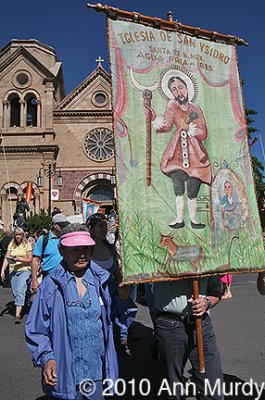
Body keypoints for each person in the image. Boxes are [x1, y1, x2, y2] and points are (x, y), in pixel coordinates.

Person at [25, 223, 131, 399]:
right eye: (74, 249)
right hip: (65, 372)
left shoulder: (104, 281)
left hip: (97, 372)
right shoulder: (51, 285)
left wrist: (124, 299)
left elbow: (119, 321)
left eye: (85, 248)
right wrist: (47, 358)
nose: (81, 254)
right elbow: (36, 330)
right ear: (62, 251)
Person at [146, 72, 211, 229]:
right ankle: (179, 218)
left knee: (194, 186)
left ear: (187, 88)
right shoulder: (172, 106)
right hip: (176, 153)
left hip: (195, 154)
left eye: (180, 87)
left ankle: (194, 219)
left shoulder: (195, 108)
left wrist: (194, 130)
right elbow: (167, 125)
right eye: (174, 89)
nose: (178, 92)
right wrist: (153, 119)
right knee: (178, 184)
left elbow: (204, 132)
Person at [153, 276, 224, 399]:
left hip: (203, 326)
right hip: (170, 325)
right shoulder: (159, 258)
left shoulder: (208, 258)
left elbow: (216, 291)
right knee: (172, 389)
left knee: (213, 391)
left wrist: (206, 302)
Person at [86, 213, 137, 353]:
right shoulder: (86, 250)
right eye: (100, 226)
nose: (104, 229)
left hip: (110, 293)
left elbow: (116, 272)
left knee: (109, 326)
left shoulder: (110, 248)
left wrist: (123, 288)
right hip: (91, 295)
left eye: (105, 225)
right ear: (91, 229)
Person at [31, 213, 70, 297]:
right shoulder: (43, 239)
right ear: (55, 225)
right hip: (49, 278)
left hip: (66, 276)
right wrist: (34, 280)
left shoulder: (67, 238)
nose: (65, 228)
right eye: (63, 226)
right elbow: (35, 259)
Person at [1, 227, 32, 323]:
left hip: (24, 270)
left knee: (20, 290)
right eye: (16, 235)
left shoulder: (27, 244)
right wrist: (2, 270)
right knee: (15, 292)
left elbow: (30, 259)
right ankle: (23, 303)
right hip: (13, 270)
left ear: (23, 236)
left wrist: (20, 259)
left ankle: (17, 314)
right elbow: (7, 257)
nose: (18, 236)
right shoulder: (12, 244)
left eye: (20, 235)